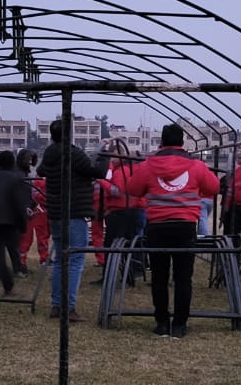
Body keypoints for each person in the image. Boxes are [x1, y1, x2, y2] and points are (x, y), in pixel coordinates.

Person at [126, 124, 219, 337]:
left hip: (157, 226)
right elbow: (214, 188)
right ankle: (179, 325)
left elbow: (132, 189)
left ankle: (161, 323)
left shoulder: (148, 165)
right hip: (185, 226)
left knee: (159, 277)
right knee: (183, 277)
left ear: (161, 141)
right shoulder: (196, 166)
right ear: (182, 142)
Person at [36, 119, 108, 322]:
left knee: (61, 259)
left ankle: (57, 305)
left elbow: (41, 171)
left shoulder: (50, 153)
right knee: (75, 260)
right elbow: (98, 172)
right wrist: (104, 153)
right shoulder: (73, 153)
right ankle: (69, 307)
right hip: (74, 211)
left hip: (56, 212)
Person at [102, 139, 146, 285]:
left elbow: (118, 191)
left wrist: (101, 182)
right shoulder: (127, 170)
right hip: (128, 211)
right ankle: (129, 275)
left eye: (113, 156)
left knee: (112, 246)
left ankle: (109, 278)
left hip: (120, 213)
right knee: (128, 245)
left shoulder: (121, 172)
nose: (111, 159)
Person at [0, 150, 28, 297]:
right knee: (14, 249)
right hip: (10, 221)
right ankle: (14, 275)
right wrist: (23, 224)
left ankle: (4, 281)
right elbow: (19, 203)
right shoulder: (16, 179)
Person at [17, 149, 49, 274]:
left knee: (42, 235)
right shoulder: (26, 175)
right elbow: (31, 193)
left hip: (37, 208)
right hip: (32, 208)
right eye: (28, 159)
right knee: (27, 237)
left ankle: (42, 258)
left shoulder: (29, 174)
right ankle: (21, 263)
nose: (30, 162)